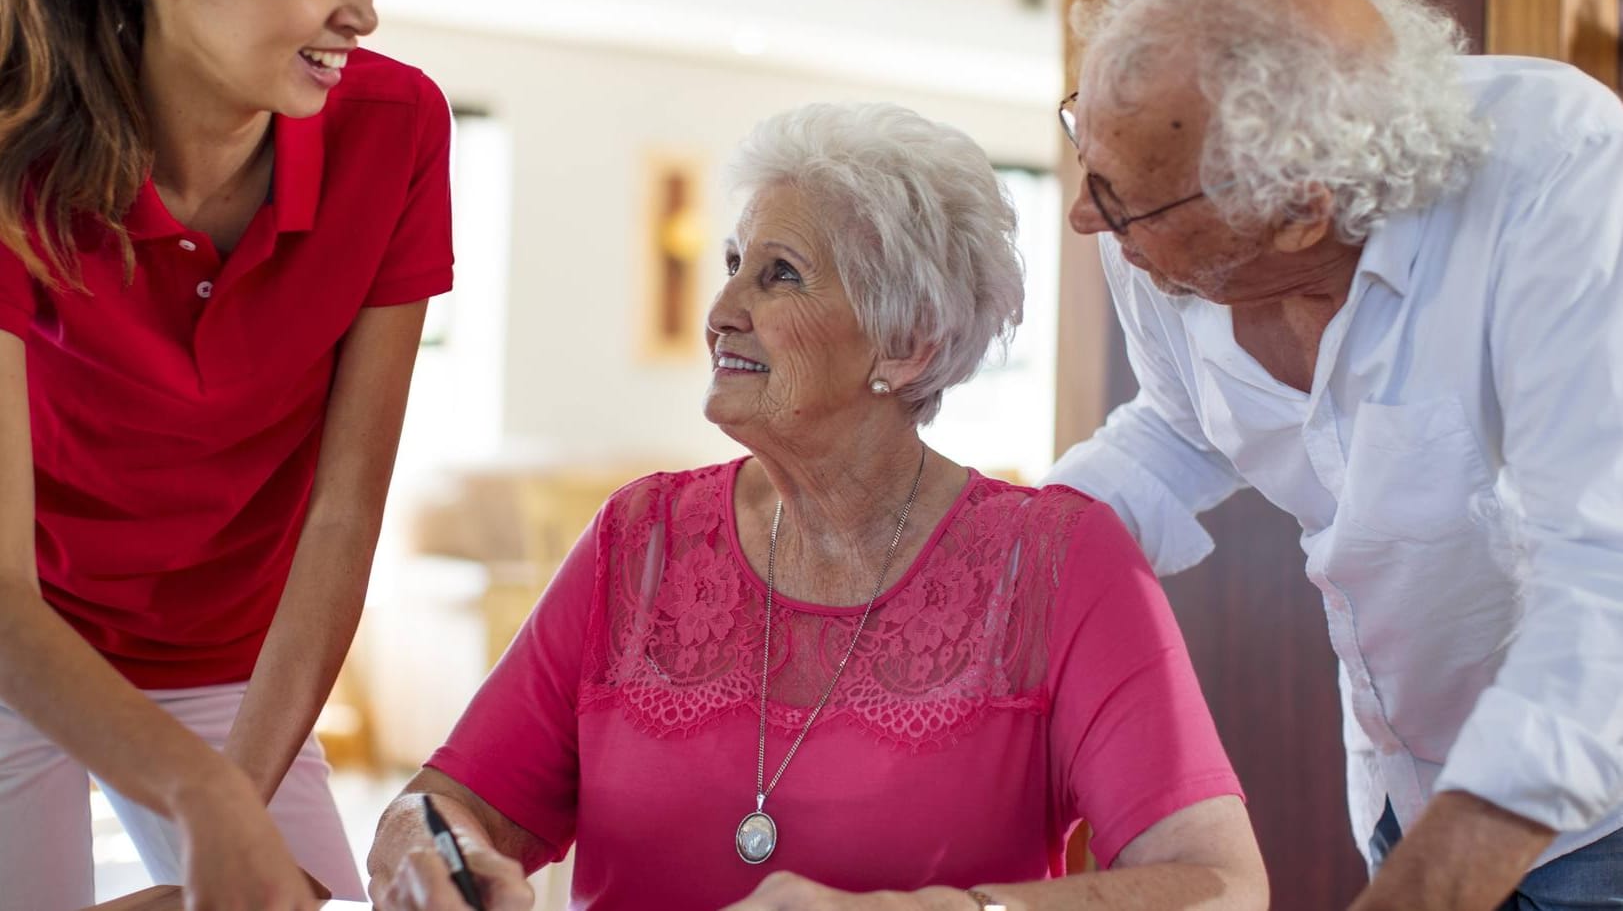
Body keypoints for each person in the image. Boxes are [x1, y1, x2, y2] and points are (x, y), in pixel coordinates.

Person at [366, 103, 1267, 911]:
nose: (720, 310)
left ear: (907, 345)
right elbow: (450, 803)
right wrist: (428, 851)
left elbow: (1216, 884)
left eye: (779, 274)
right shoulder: (639, 540)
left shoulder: (1060, 561)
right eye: (732, 265)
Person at [1045, 0, 1623, 911]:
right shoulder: (1157, 195)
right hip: (1401, 786)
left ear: (1300, 210)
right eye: (1082, 147)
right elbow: (1182, 428)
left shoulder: (1559, 179)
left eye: (1122, 199)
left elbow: (1605, 576)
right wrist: (989, 558)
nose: (1085, 214)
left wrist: (1433, 886)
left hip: (1591, 809)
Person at [0, 0, 450, 908]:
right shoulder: (15, 151)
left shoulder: (397, 127)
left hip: (234, 656)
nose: (362, 11)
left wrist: (230, 802)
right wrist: (201, 800)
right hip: (27, 646)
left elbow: (344, 513)